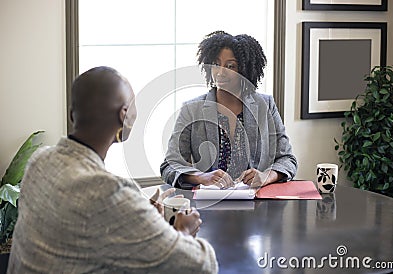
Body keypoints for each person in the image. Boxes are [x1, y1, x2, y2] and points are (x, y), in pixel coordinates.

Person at [8, 66, 218, 273]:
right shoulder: (108, 191)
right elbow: (201, 264)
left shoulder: (39, 161)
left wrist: (141, 218)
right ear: (124, 115)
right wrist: (183, 230)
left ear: (73, 115)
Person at [160, 31, 297, 189]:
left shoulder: (265, 105)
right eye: (216, 64)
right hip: (209, 204)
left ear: (244, 70)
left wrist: (267, 176)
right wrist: (201, 177)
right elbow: (169, 165)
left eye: (230, 66)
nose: (220, 72)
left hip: (257, 202)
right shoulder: (191, 110)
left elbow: (287, 159)